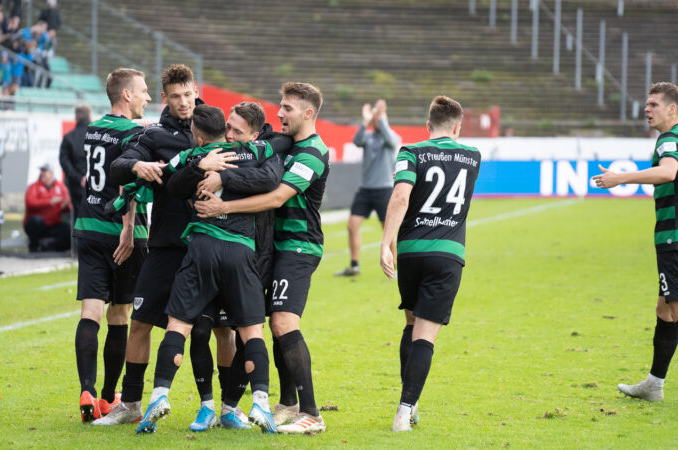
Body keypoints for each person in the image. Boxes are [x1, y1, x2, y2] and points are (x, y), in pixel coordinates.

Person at [94, 64, 233, 429]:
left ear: (196, 90)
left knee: (220, 329)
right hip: (168, 245)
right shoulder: (155, 135)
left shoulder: (217, 127)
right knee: (139, 322)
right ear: (165, 98)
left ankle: (229, 409)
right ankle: (131, 404)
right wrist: (138, 165)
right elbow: (118, 166)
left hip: (212, 242)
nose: (184, 102)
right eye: (176, 97)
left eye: (188, 94)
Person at [132, 104, 283, 435]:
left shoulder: (200, 155)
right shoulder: (260, 151)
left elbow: (172, 187)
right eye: (228, 127)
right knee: (252, 331)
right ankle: (260, 403)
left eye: (237, 129)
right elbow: (272, 178)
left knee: (179, 324)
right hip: (240, 251)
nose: (230, 133)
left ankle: (159, 396)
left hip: (202, 248)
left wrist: (211, 171)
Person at [194, 82, 330, 434]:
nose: (279, 113)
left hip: (299, 246)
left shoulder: (313, 152)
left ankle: (312, 414)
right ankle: (287, 403)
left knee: (284, 322)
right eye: (280, 106)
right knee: (266, 322)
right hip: (272, 247)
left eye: (287, 107)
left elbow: (276, 199)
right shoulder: (283, 145)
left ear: (308, 113)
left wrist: (224, 205)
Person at [379, 95, 481, 432]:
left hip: (410, 251)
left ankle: (411, 403)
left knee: (410, 324)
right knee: (426, 334)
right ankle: (404, 411)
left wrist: (385, 243)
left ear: (427, 126)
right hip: (447, 252)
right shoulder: (472, 156)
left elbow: (401, 196)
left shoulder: (410, 152)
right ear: (457, 127)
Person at [71, 67, 151, 423]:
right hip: (119, 232)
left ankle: (87, 389)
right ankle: (107, 397)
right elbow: (126, 183)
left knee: (91, 312)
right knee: (120, 314)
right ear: (126, 95)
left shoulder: (93, 129)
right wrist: (128, 227)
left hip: (87, 227)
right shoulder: (134, 131)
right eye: (144, 91)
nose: (148, 97)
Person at [593, 81, 678, 402]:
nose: (647, 109)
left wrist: (620, 178)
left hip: (674, 237)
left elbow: (668, 172)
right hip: (669, 236)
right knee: (665, 310)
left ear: (672, 109)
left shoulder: (670, 139)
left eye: (654, 104)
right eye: (647, 104)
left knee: (673, 308)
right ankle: (654, 384)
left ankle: (655, 384)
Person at [336, 99, 400, 276]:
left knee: (389, 230)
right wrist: (365, 121)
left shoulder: (391, 136)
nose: (376, 121)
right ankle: (354, 265)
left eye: (379, 118)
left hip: (384, 189)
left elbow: (391, 140)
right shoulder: (368, 137)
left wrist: (381, 116)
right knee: (352, 226)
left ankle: (393, 265)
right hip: (365, 189)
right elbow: (356, 140)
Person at [23, 164, 71, 252]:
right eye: (42, 171)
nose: (42, 173)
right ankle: (34, 247)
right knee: (36, 221)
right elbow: (30, 203)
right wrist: (49, 202)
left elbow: (67, 207)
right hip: (38, 225)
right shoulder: (34, 187)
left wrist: (66, 205)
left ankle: (50, 248)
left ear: (52, 173)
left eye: (45, 171)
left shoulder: (61, 187)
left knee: (69, 229)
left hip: (53, 224)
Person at [59, 104, 91, 222]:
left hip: (77, 185)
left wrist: (79, 178)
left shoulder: (69, 137)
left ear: (76, 118)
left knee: (79, 219)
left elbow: (64, 161)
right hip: (97, 184)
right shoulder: (99, 135)